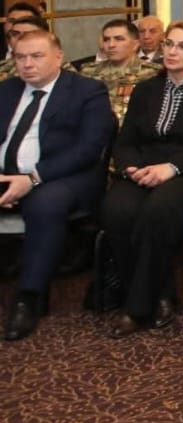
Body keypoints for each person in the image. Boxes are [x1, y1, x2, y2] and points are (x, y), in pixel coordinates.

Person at [100, 22, 183, 338]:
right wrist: (131, 168)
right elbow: (126, 140)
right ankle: (160, 292)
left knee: (157, 211)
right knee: (116, 209)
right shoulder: (146, 88)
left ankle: (137, 307)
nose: (172, 51)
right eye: (169, 44)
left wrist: (171, 168)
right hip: (145, 170)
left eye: (182, 46)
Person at [0, 29, 117, 341]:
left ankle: (29, 296)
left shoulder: (87, 91)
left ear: (58, 57)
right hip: (6, 175)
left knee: (45, 204)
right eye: (20, 57)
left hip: (63, 178)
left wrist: (32, 178)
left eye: (36, 56)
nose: (27, 64)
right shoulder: (7, 90)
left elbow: (89, 149)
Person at [72, 19, 158, 124]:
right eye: (106, 40)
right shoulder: (89, 71)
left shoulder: (151, 72)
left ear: (135, 44)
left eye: (119, 39)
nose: (111, 45)